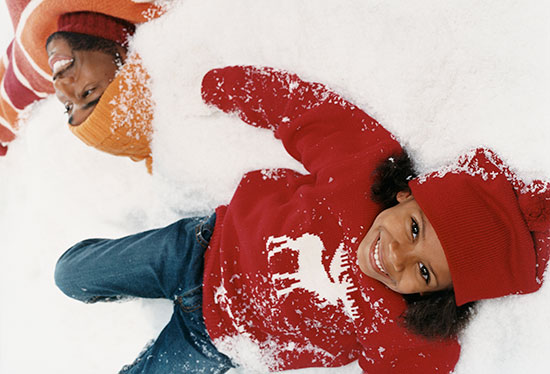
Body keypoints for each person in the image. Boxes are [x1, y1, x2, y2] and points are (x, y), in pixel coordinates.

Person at [54, 65, 550, 373]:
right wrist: (230, 87)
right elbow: (307, 111)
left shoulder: (402, 329)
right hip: (198, 249)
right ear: (404, 195)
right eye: (416, 229)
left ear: (434, 297)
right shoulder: (364, 171)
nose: (398, 255)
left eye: (424, 272)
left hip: (216, 339)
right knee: (69, 274)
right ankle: (123, 286)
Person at [0, 0, 162, 170]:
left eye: (68, 107)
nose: (61, 86)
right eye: (87, 92)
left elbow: (6, 111)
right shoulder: (146, 5)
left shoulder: (36, 65)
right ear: (127, 64)